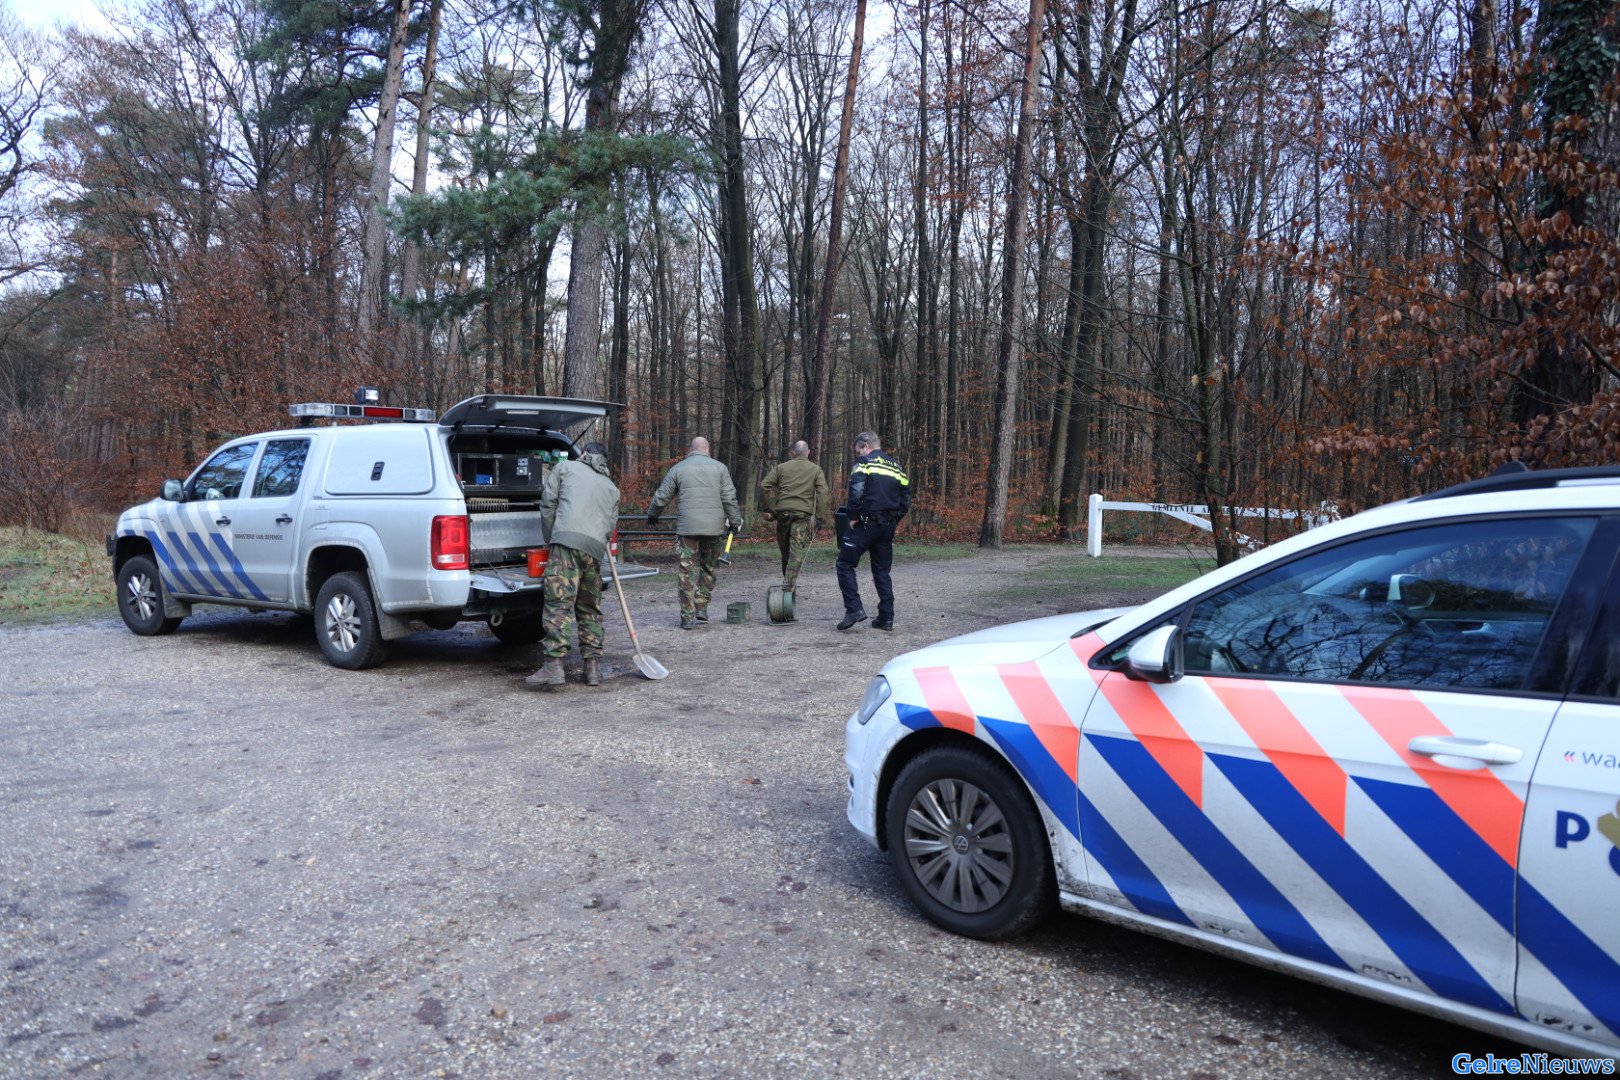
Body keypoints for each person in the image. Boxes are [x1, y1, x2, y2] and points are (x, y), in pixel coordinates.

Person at [525, 442, 621, 690]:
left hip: (565, 544)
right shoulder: (611, 488)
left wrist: (550, 537)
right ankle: (592, 669)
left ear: (585, 454)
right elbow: (610, 526)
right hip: (594, 551)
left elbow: (548, 503)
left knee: (559, 604)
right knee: (590, 608)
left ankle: (554, 667)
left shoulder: (565, 468)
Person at [647, 436, 741, 629]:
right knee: (708, 568)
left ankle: (687, 616)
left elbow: (661, 496)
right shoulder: (720, 468)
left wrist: (652, 515)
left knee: (686, 570)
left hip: (687, 529)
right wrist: (735, 521)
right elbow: (729, 498)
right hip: (713, 529)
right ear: (708, 449)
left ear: (691, 449)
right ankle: (702, 607)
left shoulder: (679, 468)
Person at [836, 431, 910, 631]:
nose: (858, 454)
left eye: (859, 450)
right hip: (887, 528)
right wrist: (893, 521)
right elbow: (905, 501)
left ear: (866, 446)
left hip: (865, 525)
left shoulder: (864, 463)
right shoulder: (897, 467)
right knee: (882, 572)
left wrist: (853, 516)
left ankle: (854, 609)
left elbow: (857, 491)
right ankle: (886, 618)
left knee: (844, 564)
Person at [760, 440, 830, 594]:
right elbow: (823, 493)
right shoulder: (815, 469)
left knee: (785, 551)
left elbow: (765, 485)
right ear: (808, 452)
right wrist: (820, 517)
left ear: (793, 452)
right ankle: (789, 585)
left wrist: (772, 507)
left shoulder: (781, 468)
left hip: (783, 514)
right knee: (796, 551)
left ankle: (788, 584)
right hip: (802, 516)